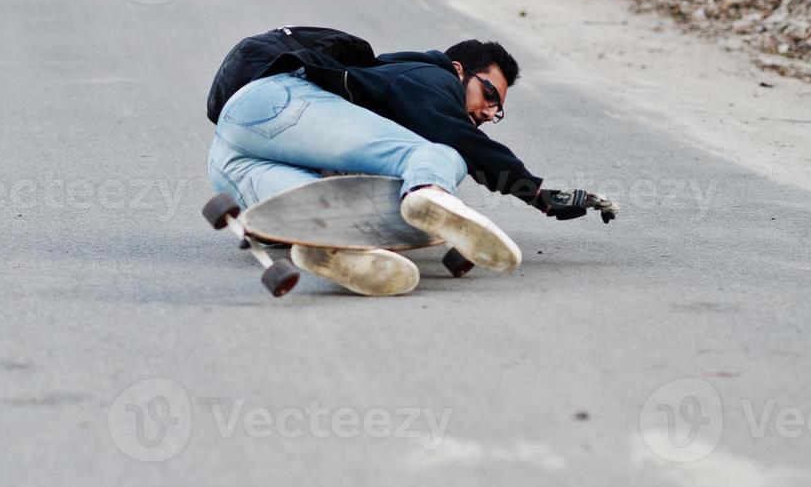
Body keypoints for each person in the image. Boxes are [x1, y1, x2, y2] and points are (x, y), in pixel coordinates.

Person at [207, 34, 615, 295]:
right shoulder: (427, 75)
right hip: (278, 100)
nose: (491, 111)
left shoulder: (392, 85)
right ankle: (426, 193)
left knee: (309, 208)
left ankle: (325, 247)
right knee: (440, 155)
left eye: (499, 110)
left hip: (230, 155)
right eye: (489, 94)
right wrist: (537, 194)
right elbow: (457, 136)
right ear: (459, 71)